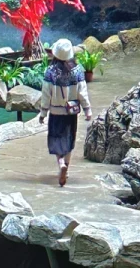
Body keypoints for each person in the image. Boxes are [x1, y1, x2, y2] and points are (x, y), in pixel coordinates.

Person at [36, 38, 92, 186]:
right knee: (68, 140)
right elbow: (83, 92)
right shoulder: (77, 71)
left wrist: (43, 113)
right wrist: (87, 110)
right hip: (71, 113)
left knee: (56, 139)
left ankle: (60, 163)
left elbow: (46, 94)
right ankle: (66, 165)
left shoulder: (50, 72)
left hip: (55, 113)